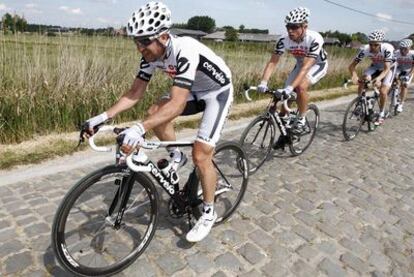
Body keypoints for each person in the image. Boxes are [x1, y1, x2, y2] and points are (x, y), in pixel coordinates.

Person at [82, 1, 233, 242]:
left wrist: (140, 128)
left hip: (217, 93)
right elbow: (134, 93)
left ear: (163, 36)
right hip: (196, 90)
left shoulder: (185, 50)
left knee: (202, 154)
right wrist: (101, 118)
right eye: (136, 41)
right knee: (154, 110)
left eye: (144, 41)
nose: (139, 47)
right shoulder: (150, 56)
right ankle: (176, 157)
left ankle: (208, 212)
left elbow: (176, 104)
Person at [257, 7, 328, 150]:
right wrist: (263, 82)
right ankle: (285, 135)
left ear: (304, 26)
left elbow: (307, 67)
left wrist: (290, 88)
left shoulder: (314, 38)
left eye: (295, 27)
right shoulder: (283, 40)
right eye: (288, 27)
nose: (290, 31)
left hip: (316, 65)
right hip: (300, 65)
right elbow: (273, 62)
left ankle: (301, 118)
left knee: (300, 87)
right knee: (283, 102)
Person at [348, 30, 395, 125]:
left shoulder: (387, 48)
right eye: (371, 44)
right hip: (375, 66)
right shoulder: (365, 49)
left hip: (389, 68)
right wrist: (354, 75)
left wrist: (378, 79)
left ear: (380, 44)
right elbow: (351, 66)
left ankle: (381, 113)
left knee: (383, 91)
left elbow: (386, 69)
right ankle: (360, 103)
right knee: (363, 79)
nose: (373, 47)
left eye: (376, 45)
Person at [393, 38, 414, 113]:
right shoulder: (396, 53)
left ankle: (401, 104)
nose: (403, 51)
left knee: (404, 85)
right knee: (396, 81)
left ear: (410, 48)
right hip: (399, 69)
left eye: (405, 49)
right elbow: (392, 64)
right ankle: (395, 94)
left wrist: (409, 75)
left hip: (408, 70)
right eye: (401, 49)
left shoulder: (412, 54)